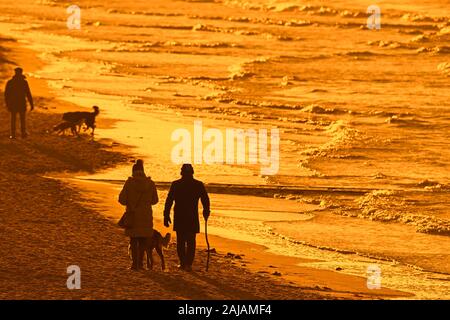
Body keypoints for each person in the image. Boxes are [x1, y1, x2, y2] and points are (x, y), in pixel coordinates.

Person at [164, 164, 210, 271]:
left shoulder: (176, 184)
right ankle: (188, 264)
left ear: (181, 173)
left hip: (180, 216)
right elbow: (205, 200)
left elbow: (169, 200)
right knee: (191, 241)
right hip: (192, 216)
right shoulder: (198, 184)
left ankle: (183, 263)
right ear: (192, 172)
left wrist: (166, 214)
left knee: (181, 240)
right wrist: (206, 211)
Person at [119, 159, 158, 270]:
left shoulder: (129, 183)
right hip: (146, 216)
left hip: (133, 216)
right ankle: (140, 264)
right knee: (142, 241)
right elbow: (155, 200)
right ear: (143, 171)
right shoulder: (150, 183)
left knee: (133, 240)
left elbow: (122, 199)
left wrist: (130, 202)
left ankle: (134, 264)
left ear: (133, 171)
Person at [4, 67, 34, 139]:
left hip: (13, 103)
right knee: (22, 119)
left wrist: (7, 104)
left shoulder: (10, 82)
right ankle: (23, 134)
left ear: (15, 72)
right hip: (21, 103)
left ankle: (13, 134)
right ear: (21, 72)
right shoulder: (24, 82)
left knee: (13, 119)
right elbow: (28, 94)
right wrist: (31, 104)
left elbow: (6, 95)